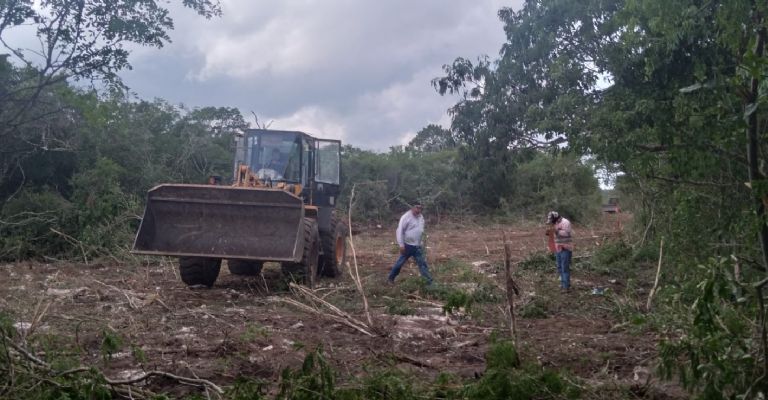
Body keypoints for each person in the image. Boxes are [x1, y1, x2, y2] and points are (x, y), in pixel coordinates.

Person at [387, 202, 433, 285]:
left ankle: (429, 283)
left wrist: (421, 242)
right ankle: (391, 278)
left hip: (418, 246)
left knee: (422, 264)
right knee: (399, 263)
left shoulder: (421, 217)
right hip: (407, 246)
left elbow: (420, 230)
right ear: (412, 207)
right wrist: (401, 245)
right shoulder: (406, 217)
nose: (419, 210)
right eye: (417, 208)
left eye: (420, 208)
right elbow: (399, 231)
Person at [547, 211, 573, 290]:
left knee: (564, 268)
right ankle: (563, 284)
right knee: (559, 267)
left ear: (556, 218)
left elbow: (567, 233)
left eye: (552, 220)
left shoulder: (566, 222)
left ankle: (566, 287)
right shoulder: (554, 223)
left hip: (565, 248)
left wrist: (556, 231)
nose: (552, 222)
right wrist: (550, 232)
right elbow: (554, 234)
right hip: (558, 248)